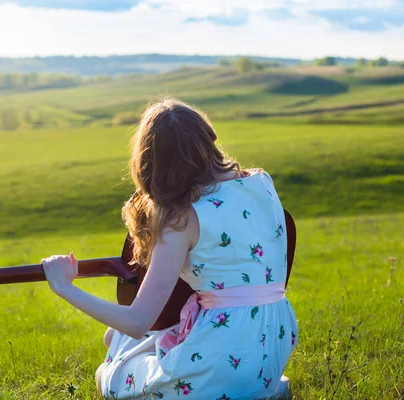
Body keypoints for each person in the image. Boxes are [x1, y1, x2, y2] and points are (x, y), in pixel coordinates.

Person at [41, 98, 298, 399]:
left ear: (151, 165)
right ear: (209, 138)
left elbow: (137, 322)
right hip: (274, 339)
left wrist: (63, 287)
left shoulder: (183, 219)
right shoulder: (262, 182)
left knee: (109, 375)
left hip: (223, 357)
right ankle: (263, 389)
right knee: (118, 337)